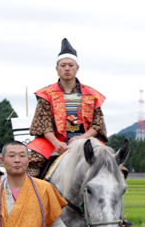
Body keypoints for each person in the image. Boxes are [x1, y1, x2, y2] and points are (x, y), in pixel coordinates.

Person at [27, 38, 109, 178]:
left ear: (77, 68)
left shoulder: (92, 94)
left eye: (71, 65)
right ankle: (28, 197)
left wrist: (82, 138)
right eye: (63, 65)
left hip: (86, 139)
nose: (67, 68)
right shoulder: (46, 94)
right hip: (53, 141)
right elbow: (43, 123)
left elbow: (97, 124)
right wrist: (56, 143)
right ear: (57, 69)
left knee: (113, 162)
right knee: (32, 163)